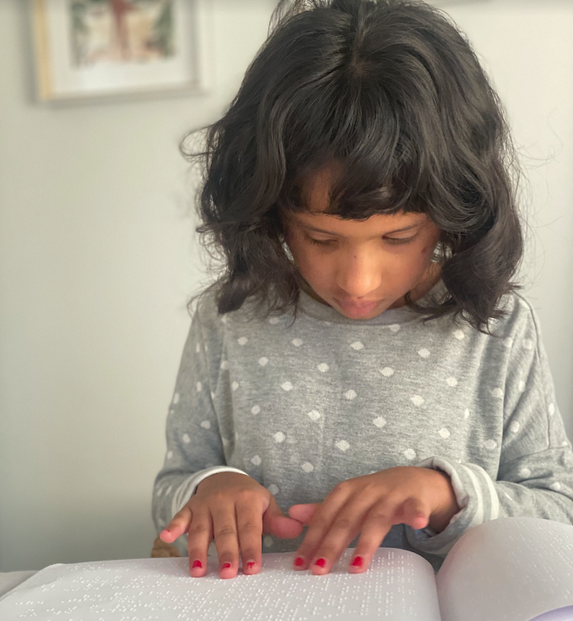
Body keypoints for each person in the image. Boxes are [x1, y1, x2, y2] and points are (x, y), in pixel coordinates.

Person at [152, 0, 573, 579]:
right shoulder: (229, 318)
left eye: (398, 237)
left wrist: (448, 494)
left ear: (456, 215)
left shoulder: (495, 325)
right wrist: (212, 488)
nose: (358, 281)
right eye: (320, 239)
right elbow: (175, 485)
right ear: (269, 214)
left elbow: (559, 509)